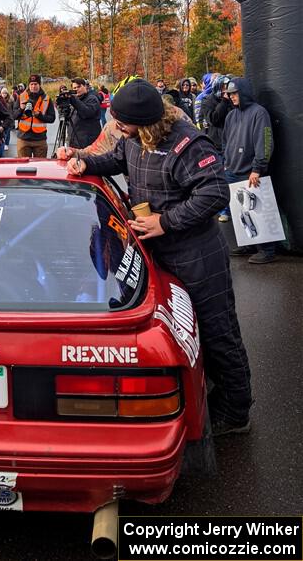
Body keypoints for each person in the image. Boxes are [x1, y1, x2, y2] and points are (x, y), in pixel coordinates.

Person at [66, 79, 252, 437]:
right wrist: (82, 162)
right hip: (157, 253)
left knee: (218, 331)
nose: (117, 127)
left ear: (146, 120)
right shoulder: (132, 138)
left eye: (122, 122)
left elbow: (215, 193)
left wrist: (165, 222)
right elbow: (114, 159)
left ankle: (237, 410)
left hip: (198, 255)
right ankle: (209, 389)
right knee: (180, 333)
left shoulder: (188, 143)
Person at [222, 77, 276, 263]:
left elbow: (265, 141)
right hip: (232, 170)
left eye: (235, 93)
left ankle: (267, 250)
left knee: (257, 210)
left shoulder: (259, 113)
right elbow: (225, 140)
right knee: (240, 212)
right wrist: (226, 161)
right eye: (230, 94)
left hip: (250, 172)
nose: (232, 97)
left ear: (243, 92)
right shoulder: (231, 115)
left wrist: (258, 168)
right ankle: (249, 243)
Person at [14, 74, 55, 158]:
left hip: (40, 139)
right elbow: (14, 116)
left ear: (39, 85)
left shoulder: (46, 98)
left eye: (35, 84)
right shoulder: (21, 97)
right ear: (28, 85)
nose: (33, 86)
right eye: (31, 84)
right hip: (23, 139)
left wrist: (39, 115)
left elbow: (52, 118)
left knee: (40, 167)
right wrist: (21, 109)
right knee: (24, 167)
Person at [66, 78, 101, 149]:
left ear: (85, 86)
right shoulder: (75, 101)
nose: (77, 89)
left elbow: (86, 113)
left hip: (87, 143)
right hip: (74, 142)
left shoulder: (92, 99)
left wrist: (73, 100)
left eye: (79, 87)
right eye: (74, 88)